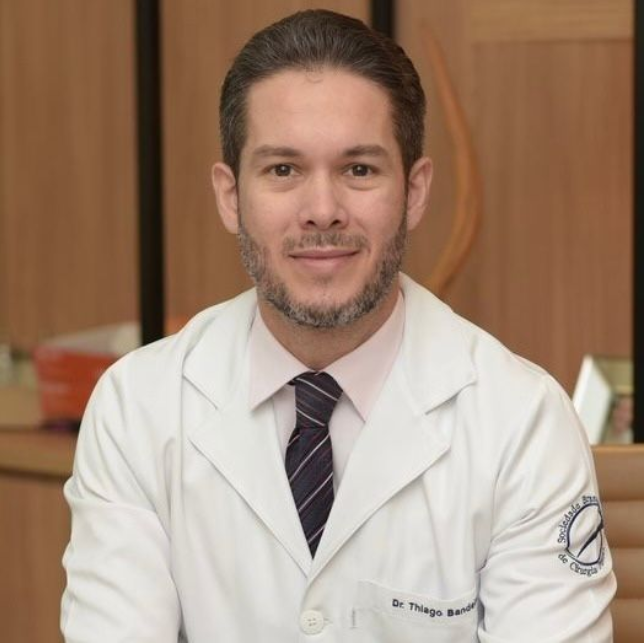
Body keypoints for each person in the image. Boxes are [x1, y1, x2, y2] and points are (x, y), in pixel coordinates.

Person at [61, 9, 616, 642]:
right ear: (230, 196)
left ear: (414, 191)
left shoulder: (523, 423)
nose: (322, 211)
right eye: (283, 169)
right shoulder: (137, 408)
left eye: (359, 170)